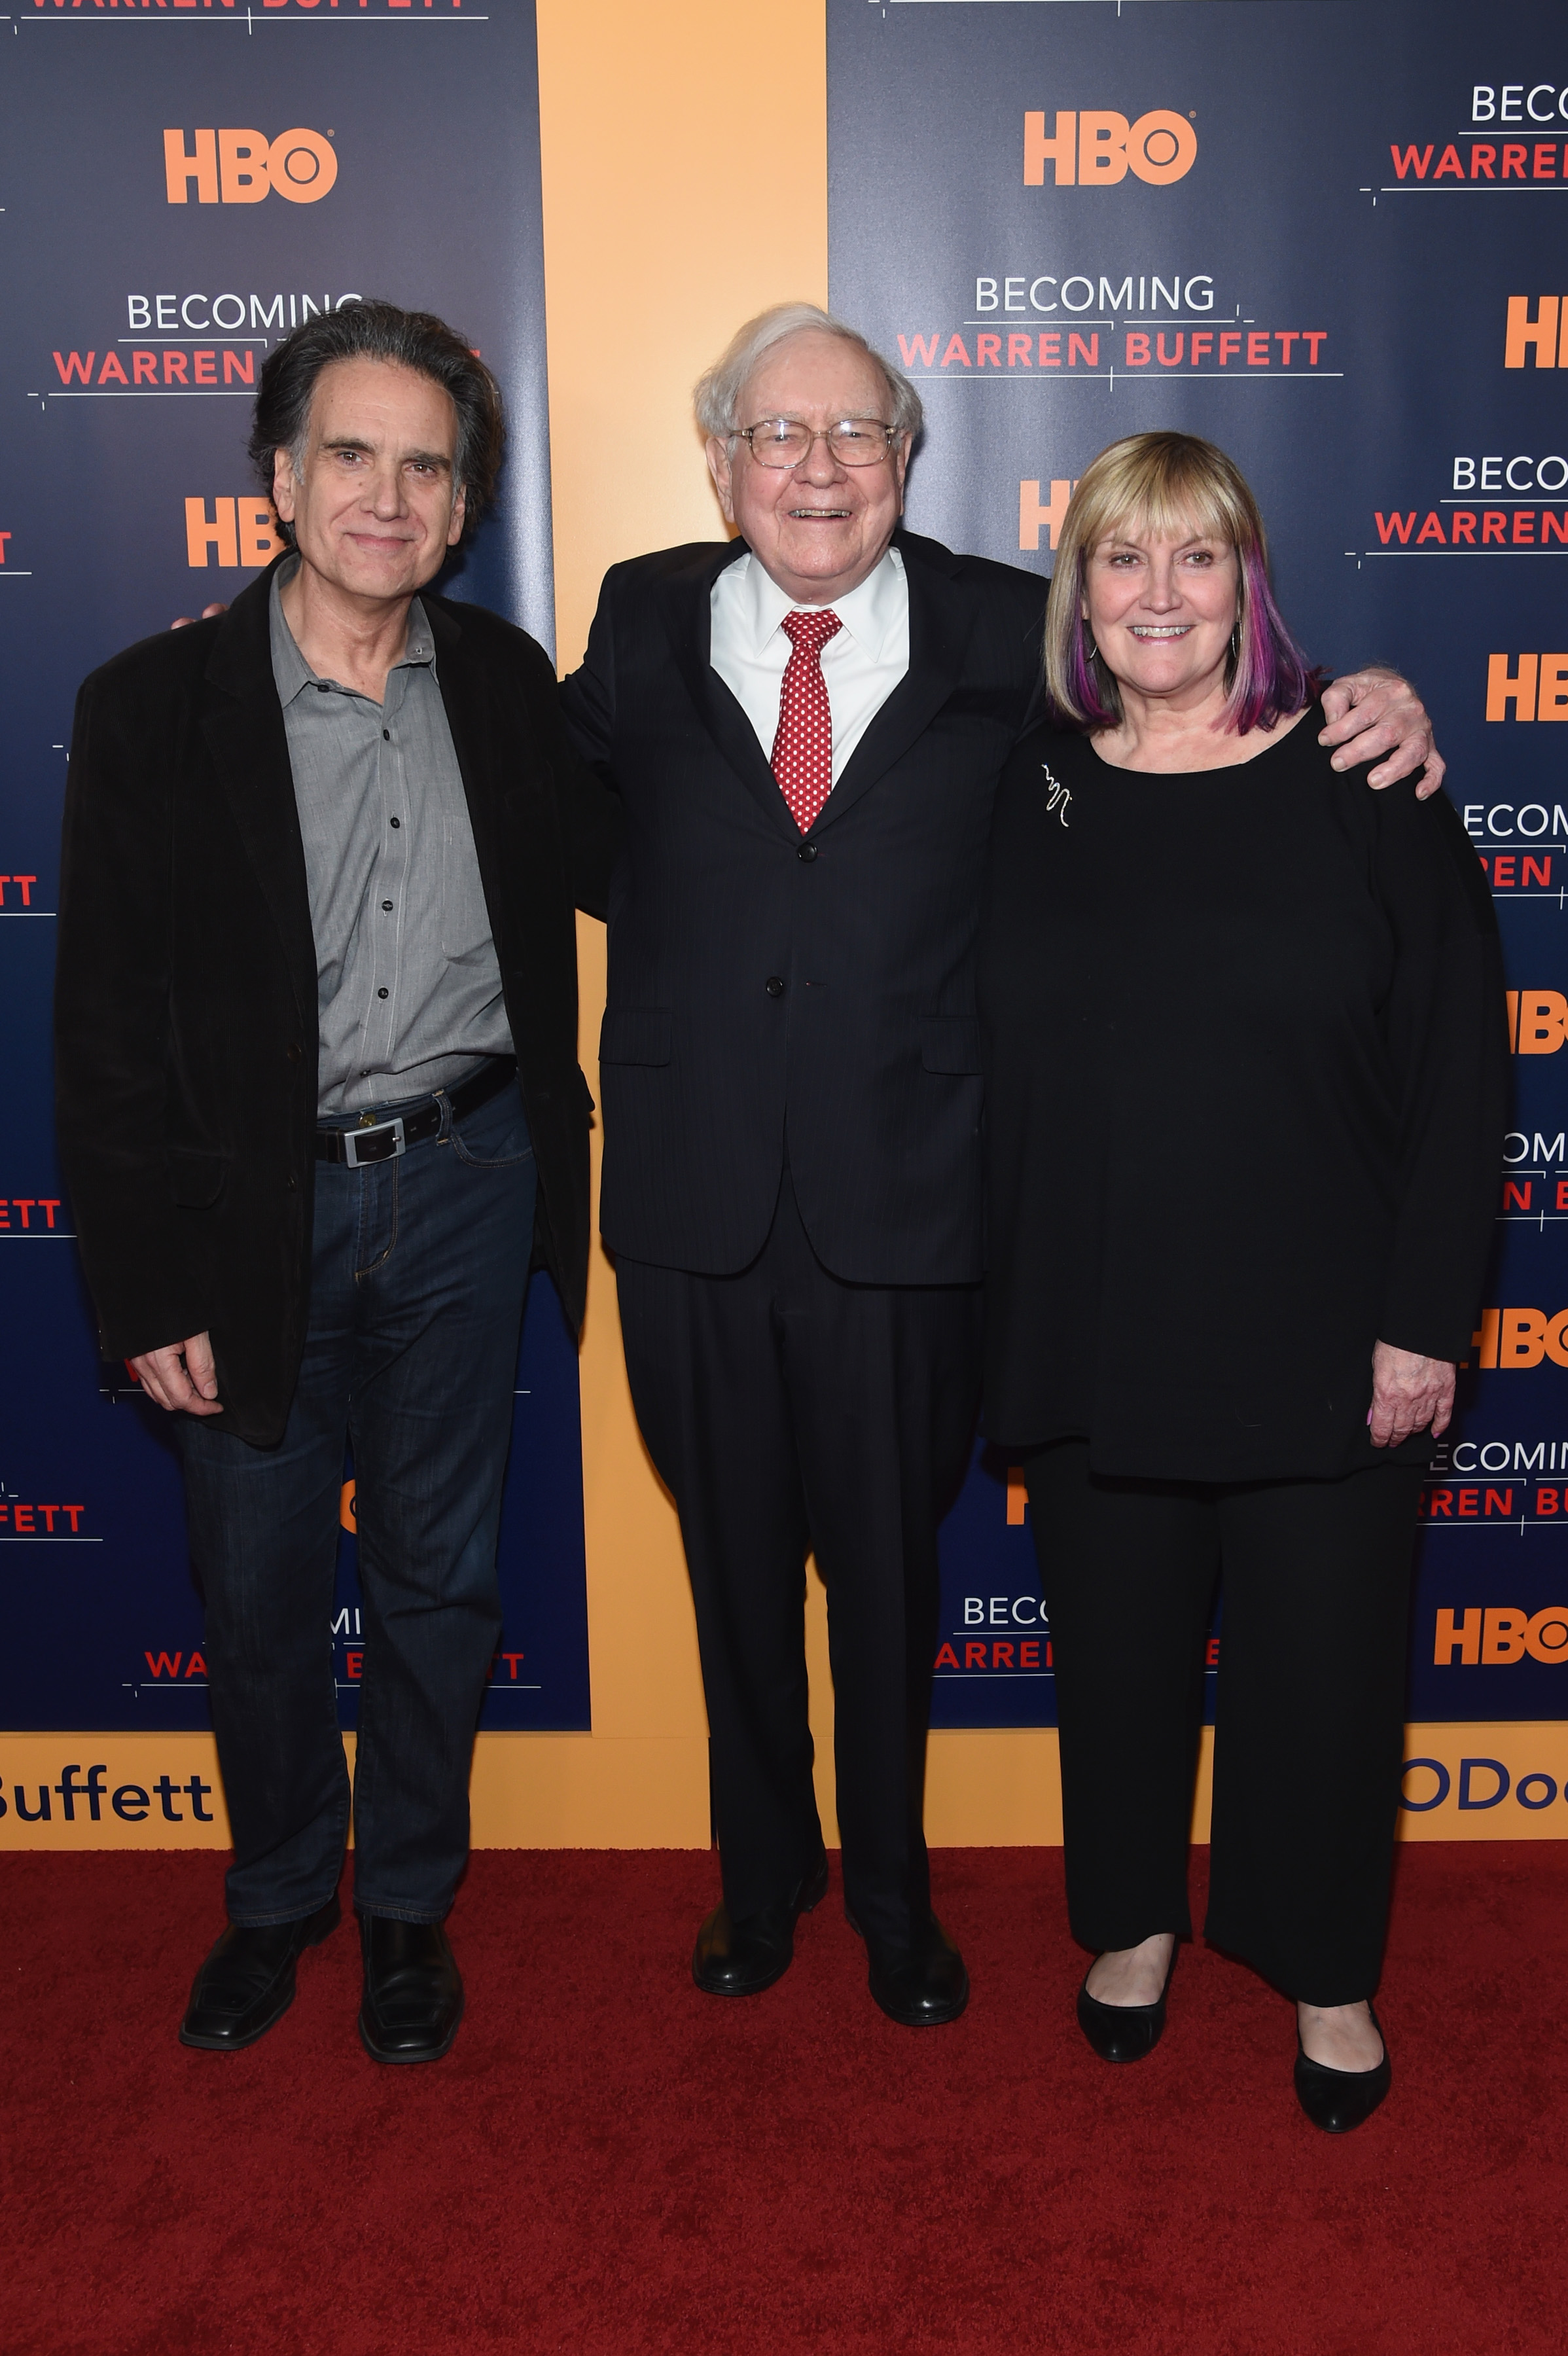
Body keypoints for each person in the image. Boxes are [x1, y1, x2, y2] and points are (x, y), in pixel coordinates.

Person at [560, 304, 1446, 2028]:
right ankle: (765, 1883)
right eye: (777, 435)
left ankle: (895, 1904)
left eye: (855, 436)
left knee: (890, 1579)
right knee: (728, 1571)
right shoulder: (638, 612)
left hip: (913, 1196)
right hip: (690, 1196)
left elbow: (1198, 712)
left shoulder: (997, 623)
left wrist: (1369, 693)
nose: (816, 470)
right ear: (720, 455)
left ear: (906, 456)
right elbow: (569, 820)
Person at [55, 302, 618, 2064]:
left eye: (425, 466)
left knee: (445, 1580)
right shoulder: (148, 709)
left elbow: (703, 803)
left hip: (466, 1182)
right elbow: (104, 1030)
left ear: (460, 512)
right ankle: (280, 1895)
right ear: (279, 481)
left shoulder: (515, 689)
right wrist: (142, 1287)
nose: (388, 495)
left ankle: (403, 1914)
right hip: (247, 1225)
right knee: (259, 1592)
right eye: (351, 455)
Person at [980, 430, 1507, 2126]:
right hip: (1093, 1327)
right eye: (1120, 559)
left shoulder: (1364, 775)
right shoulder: (1026, 784)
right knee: (1114, 1663)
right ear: (1078, 588)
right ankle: (1128, 1927)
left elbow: (1459, 1071)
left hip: (1321, 1337)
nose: (1155, 593)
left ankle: (1324, 1973)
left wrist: (1423, 1322)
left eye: (1193, 558)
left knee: (1325, 1679)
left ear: (1244, 585)